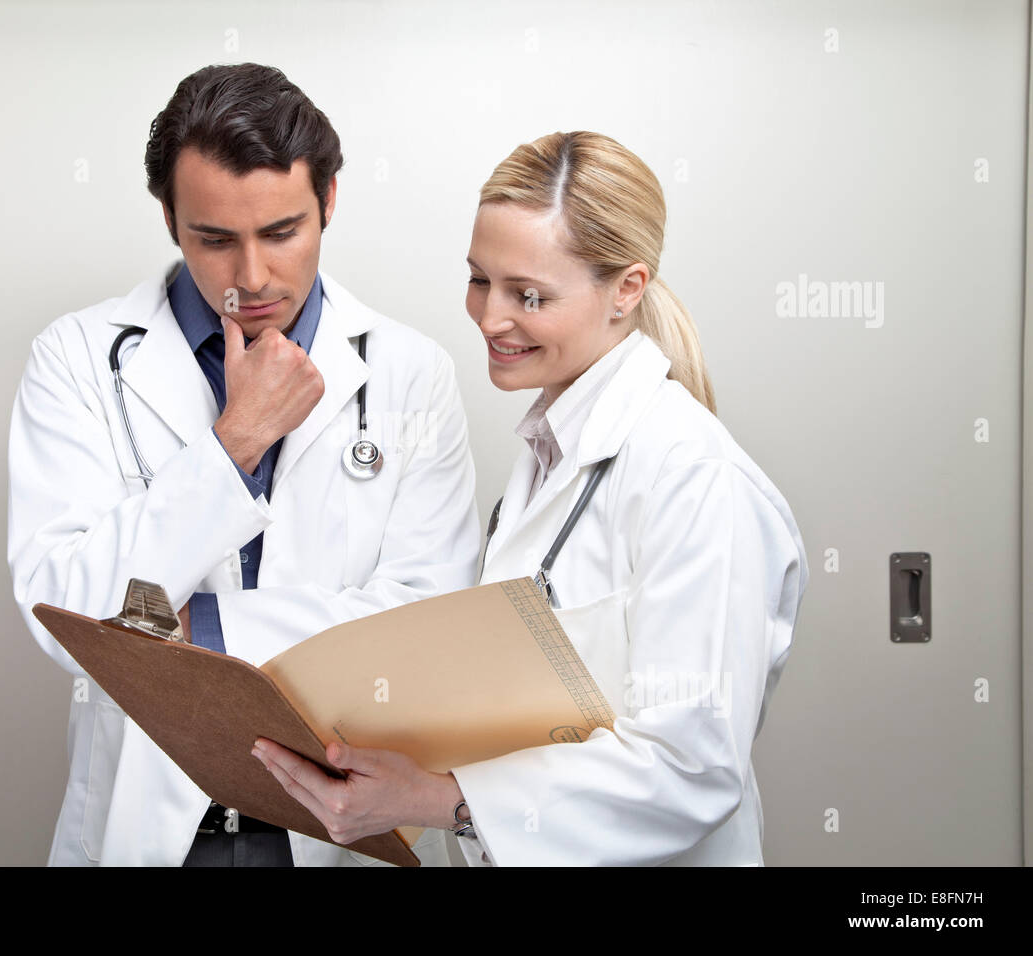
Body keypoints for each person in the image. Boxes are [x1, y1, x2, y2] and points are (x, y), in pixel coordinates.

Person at [253, 130, 810, 866]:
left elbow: (692, 769)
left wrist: (434, 798)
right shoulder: (546, 459)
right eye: (480, 280)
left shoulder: (693, 475)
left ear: (628, 290)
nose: (489, 318)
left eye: (530, 295)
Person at [6, 63, 479, 867]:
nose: (252, 278)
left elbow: (423, 630)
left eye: (282, 232)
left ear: (329, 201)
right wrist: (233, 449)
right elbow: (68, 619)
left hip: (335, 829)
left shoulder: (411, 372)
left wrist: (200, 633)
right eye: (215, 240)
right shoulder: (76, 359)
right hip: (147, 825)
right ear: (169, 218)